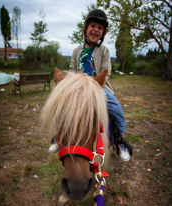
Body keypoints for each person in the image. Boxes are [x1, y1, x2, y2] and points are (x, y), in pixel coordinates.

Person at [49, 9, 131, 161]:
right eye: (93, 26)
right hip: (78, 87)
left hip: (98, 87)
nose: (96, 30)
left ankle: (120, 140)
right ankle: (58, 136)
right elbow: (73, 69)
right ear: (86, 28)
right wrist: (71, 82)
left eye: (100, 28)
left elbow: (107, 71)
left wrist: (93, 82)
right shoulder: (76, 51)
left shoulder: (104, 51)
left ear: (103, 33)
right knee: (61, 106)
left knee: (116, 109)